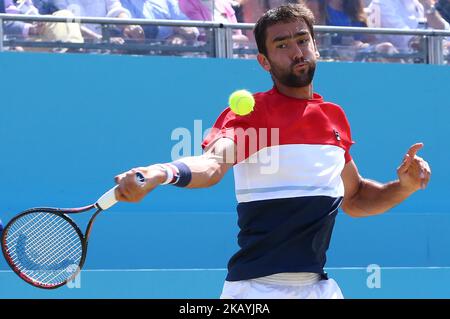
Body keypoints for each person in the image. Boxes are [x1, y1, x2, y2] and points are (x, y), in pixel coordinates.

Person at [114, 4, 431, 299]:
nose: (297, 52)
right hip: (255, 292)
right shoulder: (254, 114)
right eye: (282, 45)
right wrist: (161, 172)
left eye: (302, 40)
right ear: (264, 61)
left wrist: (404, 186)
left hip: (318, 288)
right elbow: (213, 164)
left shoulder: (334, 117)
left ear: (315, 46)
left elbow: (357, 197)